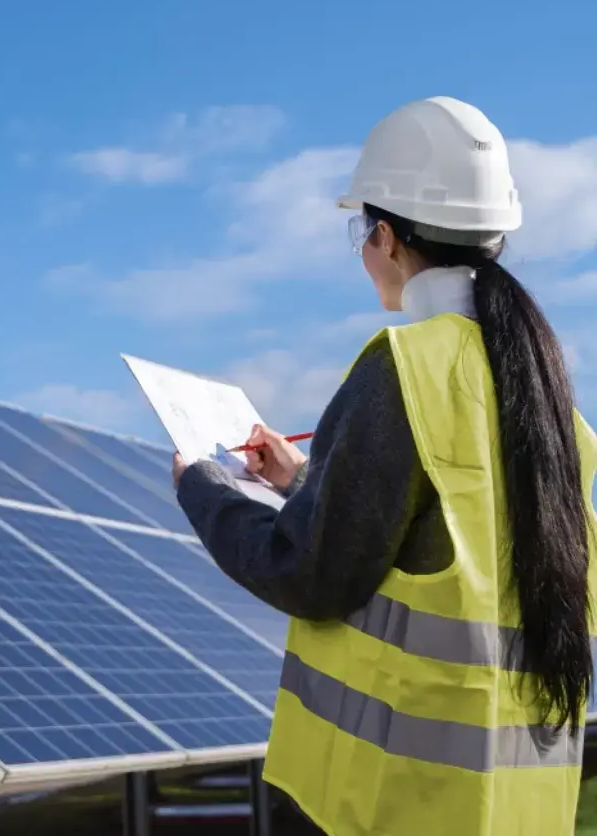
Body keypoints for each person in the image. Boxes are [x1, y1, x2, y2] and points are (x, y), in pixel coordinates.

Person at [170, 96, 597, 836]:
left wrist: (202, 489)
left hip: (402, 801)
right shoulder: (549, 404)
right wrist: (304, 481)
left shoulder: (402, 369)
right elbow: (450, 548)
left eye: (361, 230)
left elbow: (308, 570)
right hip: (521, 807)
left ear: (389, 236)